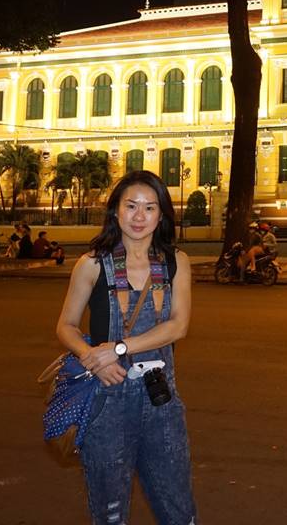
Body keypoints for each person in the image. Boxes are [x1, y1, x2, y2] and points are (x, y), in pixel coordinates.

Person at [54, 169, 197, 524]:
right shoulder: (91, 265)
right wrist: (91, 357)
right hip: (107, 401)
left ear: (161, 215)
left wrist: (118, 348)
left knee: (178, 507)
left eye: (149, 208)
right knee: (110, 512)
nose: (139, 216)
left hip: (161, 400)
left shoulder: (175, 262)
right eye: (131, 206)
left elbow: (178, 326)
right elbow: (66, 325)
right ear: (116, 210)